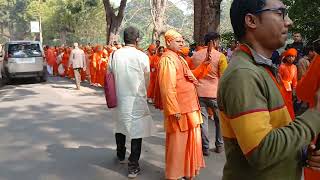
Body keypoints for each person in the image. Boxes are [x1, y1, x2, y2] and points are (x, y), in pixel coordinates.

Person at [218, 0, 320, 179]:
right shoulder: (243, 74)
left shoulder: (262, 68)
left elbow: (275, 129)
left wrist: (300, 150)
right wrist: (316, 115)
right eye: (280, 13)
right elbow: (262, 151)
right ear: (251, 21)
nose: (289, 22)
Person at [158, 29, 205, 180]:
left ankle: (187, 172)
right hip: (180, 110)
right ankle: (173, 175)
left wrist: (206, 65)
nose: (182, 43)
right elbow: (167, 87)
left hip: (190, 107)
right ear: (168, 42)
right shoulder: (168, 59)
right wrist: (173, 109)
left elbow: (191, 77)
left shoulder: (180, 58)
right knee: (178, 145)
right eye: (178, 41)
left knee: (191, 142)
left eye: (182, 41)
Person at [108, 26, 154, 179]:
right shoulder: (142, 56)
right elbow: (147, 78)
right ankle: (133, 166)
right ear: (137, 39)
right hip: (136, 98)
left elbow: (109, 75)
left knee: (120, 125)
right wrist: (144, 93)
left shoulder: (114, 55)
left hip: (119, 97)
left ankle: (121, 154)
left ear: (124, 38)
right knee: (137, 130)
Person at [192, 32, 228, 156]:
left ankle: (205, 147)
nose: (219, 44)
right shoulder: (221, 56)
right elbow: (223, 77)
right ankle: (219, 145)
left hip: (199, 92)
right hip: (215, 93)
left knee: (203, 121)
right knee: (220, 121)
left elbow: (193, 74)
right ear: (213, 42)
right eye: (218, 41)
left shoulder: (195, 55)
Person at [278, 48, 298, 118]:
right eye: (289, 56)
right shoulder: (282, 67)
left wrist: (295, 90)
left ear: (295, 58)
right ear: (286, 57)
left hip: (289, 90)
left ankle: (290, 118)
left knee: (289, 104)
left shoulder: (294, 67)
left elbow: (295, 81)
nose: (290, 58)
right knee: (283, 104)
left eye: (292, 56)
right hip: (282, 89)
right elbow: (278, 79)